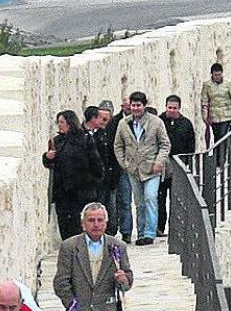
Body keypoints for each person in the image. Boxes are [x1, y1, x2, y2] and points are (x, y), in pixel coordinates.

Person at [113, 91, 170, 247]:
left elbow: (165, 144)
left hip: (152, 167)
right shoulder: (123, 124)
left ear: (144, 106)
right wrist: (124, 163)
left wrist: (159, 162)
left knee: (150, 197)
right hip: (133, 169)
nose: (136, 108)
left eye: (138, 105)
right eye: (133, 105)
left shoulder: (156, 122)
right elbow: (118, 146)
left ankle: (149, 233)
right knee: (139, 202)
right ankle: (141, 232)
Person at [42, 109, 103, 240]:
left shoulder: (85, 139)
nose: (59, 125)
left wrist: (90, 183)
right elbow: (50, 164)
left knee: (80, 225)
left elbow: (96, 165)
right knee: (65, 225)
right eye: (58, 122)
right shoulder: (56, 141)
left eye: (62, 122)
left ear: (70, 123)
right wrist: (47, 157)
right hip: (63, 192)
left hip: (81, 192)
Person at [157, 95, 197, 236]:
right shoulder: (159, 121)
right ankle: (159, 227)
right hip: (161, 167)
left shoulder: (186, 124)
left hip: (178, 167)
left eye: (174, 108)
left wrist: (186, 164)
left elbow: (191, 146)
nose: (172, 110)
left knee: (176, 200)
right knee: (159, 199)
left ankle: (176, 230)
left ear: (179, 108)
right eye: (169, 107)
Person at [100, 99, 132, 241]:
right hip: (109, 170)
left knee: (125, 200)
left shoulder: (119, 124)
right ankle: (111, 229)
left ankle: (126, 231)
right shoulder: (100, 131)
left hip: (122, 167)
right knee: (110, 201)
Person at [200, 62, 231, 144]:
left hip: (226, 116)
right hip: (213, 116)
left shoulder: (228, 84)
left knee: (223, 135)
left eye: (219, 75)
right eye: (215, 75)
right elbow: (204, 101)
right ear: (212, 75)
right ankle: (218, 155)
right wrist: (205, 117)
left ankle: (222, 155)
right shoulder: (207, 85)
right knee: (217, 137)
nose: (217, 77)